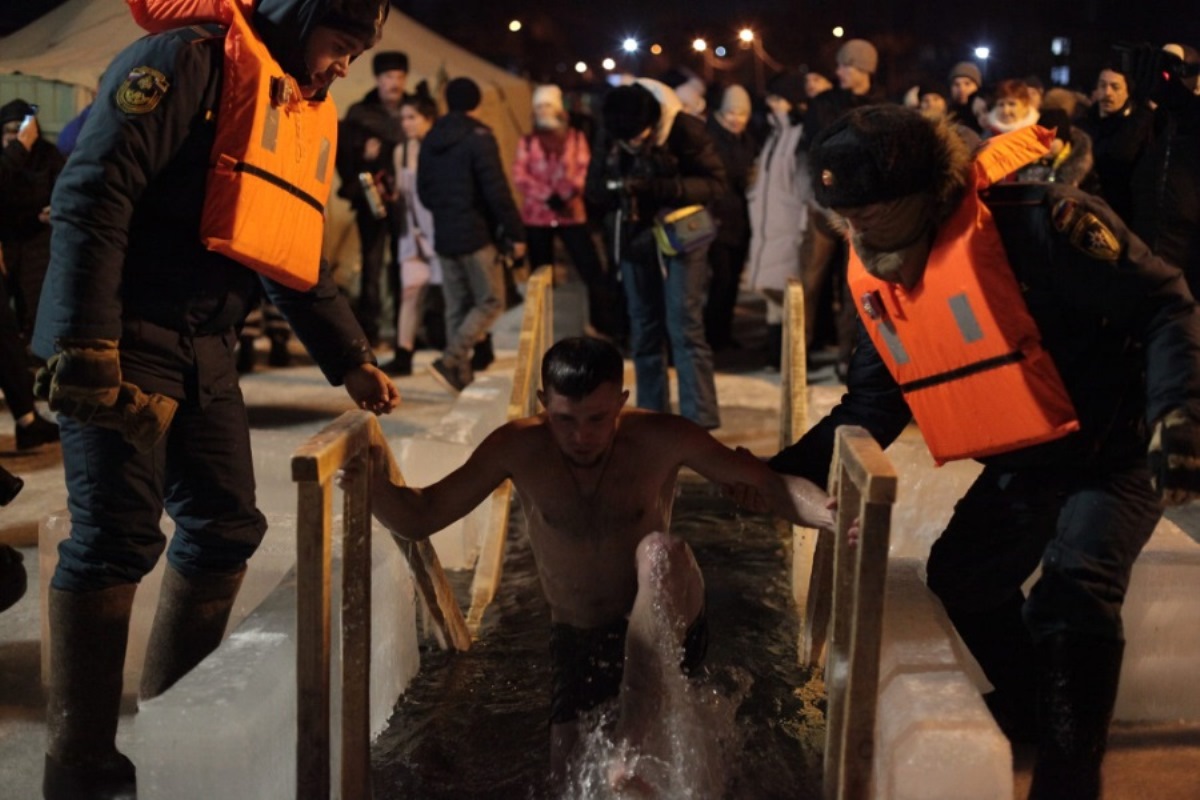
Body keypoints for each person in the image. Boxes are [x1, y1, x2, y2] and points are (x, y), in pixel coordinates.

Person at [765, 105, 1200, 800]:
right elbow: (873, 405)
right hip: (1027, 453)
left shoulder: (1042, 221)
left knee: (1075, 592)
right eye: (846, 215)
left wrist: (1177, 414)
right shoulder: (878, 276)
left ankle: (1066, 778)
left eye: (875, 211)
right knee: (965, 575)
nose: (860, 231)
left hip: (1116, 441)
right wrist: (768, 477)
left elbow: (1167, 304)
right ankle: (1036, 707)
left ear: (930, 193)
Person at [31, 2, 401, 797]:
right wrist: (87, 345)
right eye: (342, 45)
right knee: (114, 540)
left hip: (206, 345)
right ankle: (81, 766)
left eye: (357, 52)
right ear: (301, 18)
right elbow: (95, 194)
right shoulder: (187, 60)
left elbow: (290, 251)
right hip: (125, 334)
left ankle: (175, 729)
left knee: (227, 525)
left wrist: (352, 358)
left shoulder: (289, 104)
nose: (345, 65)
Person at [340, 336, 834, 787]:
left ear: (620, 404)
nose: (582, 436)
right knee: (572, 782)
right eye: (565, 420)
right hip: (580, 638)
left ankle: (635, 734)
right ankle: (629, 758)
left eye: (598, 419)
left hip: (665, 614)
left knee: (659, 552)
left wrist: (831, 516)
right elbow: (421, 515)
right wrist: (368, 487)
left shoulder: (662, 437)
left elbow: (770, 484)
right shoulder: (518, 446)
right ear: (543, 406)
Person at [584, 80, 727, 429]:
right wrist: (617, 185)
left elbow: (716, 184)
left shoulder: (684, 129)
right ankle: (651, 419)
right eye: (625, 140)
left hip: (682, 234)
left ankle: (699, 421)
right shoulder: (613, 129)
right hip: (635, 237)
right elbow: (593, 188)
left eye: (639, 136)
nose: (633, 144)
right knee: (644, 327)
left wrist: (665, 186)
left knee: (684, 324)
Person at [418, 76, 527, 394]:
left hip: (444, 232)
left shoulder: (431, 137)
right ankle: (451, 358)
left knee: (458, 306)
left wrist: (445, 211)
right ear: (477, 103)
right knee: (491, 301)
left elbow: (424, 192)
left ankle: (459, 374)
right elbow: (496, 191)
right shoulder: (479, 137)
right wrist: (514, 231)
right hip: (476, 233)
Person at [512, 83, 625, 344]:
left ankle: (604, 324)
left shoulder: (575, 138)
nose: (543, 111)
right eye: (539, 106)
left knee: (591, 270)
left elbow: (583, 169)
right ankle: (540, 328)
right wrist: (545, 195)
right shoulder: (528, 142)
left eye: (547, 105)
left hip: (570, 213)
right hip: (537, 216)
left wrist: (564, 194)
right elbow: (520, 174)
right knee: (541, 276)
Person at [336, 49, 409, 348]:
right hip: (371, 199)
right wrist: (364, 158)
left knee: (407, 264)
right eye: (389, 76)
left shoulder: (413, 111)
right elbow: (345, 158)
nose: (395, 83)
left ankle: (406, 330)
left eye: (400, 77)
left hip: (406, 202)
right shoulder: (360, 114)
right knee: (372, 264)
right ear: (378, 79)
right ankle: (371, 329)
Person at [745, 68, 809, 370]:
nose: (772, 105)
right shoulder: (774, 135)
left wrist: (802, 225)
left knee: (789, 297)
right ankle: (775, 356)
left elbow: (803, 187)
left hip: (787, 226)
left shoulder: (798, 137)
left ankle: (792, 359)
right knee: (773, 297)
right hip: (767, 226)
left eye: (778, 99)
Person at [384, 90, 441, 376]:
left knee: (455, 294)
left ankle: (475, 347)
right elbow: (402, 195)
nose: (406, 123)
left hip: (439, 232)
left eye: (412, 117)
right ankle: (403, 352)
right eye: (403, 118)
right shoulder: (402, 151)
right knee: (410, 291)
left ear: (428, 119)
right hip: (413, 232)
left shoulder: (439, 148)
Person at [0, 98, 66, 342]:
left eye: (19, 129)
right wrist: (17, 151)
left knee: (35, 302)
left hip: (38, 240)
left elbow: (64, 188)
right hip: (6, 240)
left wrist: (55, 209)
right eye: (7, 130)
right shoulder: (6, 160)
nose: (13, 135)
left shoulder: (48, 155)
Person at [703, 83, 759, 353]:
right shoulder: (712, 139)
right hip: (718, 221)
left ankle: (723, 332)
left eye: (742, 114)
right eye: (731, 114)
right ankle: (713, 333)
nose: (736, 119)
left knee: (732, 280)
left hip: (740, 220)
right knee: (721, 280)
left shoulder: (747, 139)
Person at [1079, 65, 1153, 225]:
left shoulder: (1137, 127)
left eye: (1115, 87)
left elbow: (1120, 153)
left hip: (1122, 215)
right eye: (1102, 85)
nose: (1107, 93)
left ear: (1128, 92)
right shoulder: (1081, 126)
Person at [946, 61, 985, 135]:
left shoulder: (988, 115)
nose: (961, 89)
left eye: (967, 84)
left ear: (977, 87)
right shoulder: (945, 113)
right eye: (956, 84)